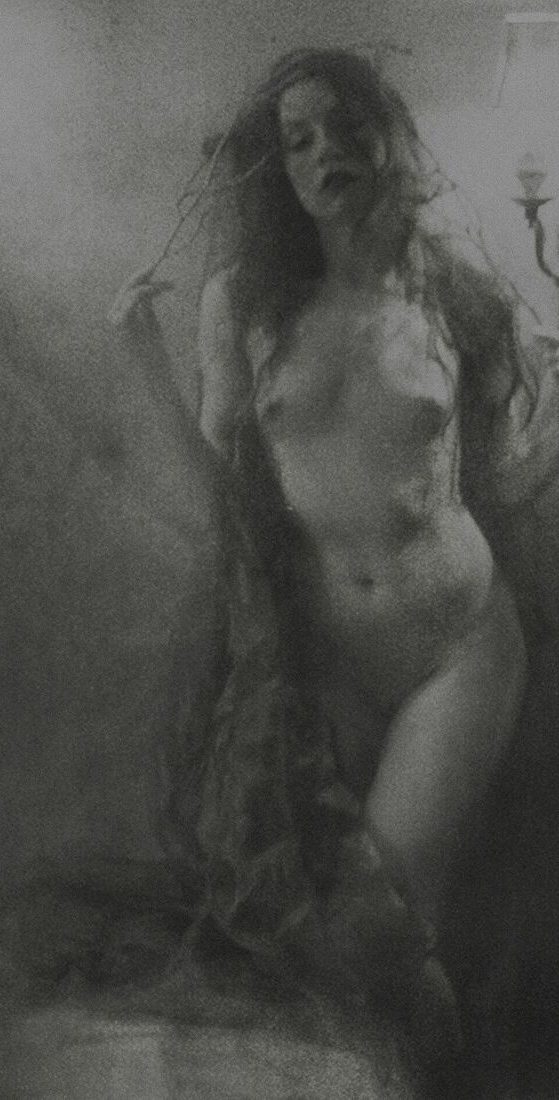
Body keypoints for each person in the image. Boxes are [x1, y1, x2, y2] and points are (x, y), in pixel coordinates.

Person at [110, 48, 559, 1075]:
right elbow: (225, 506)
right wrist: (144, 365)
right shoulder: (243, 303)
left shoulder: (455, 291)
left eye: (344, 128)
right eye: (298, 140)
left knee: (392, 927)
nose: (325, 155)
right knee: (326, 949)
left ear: (385, 138)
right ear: (278, 169)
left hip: (459, 650)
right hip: (319, 659)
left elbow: (509, 479)